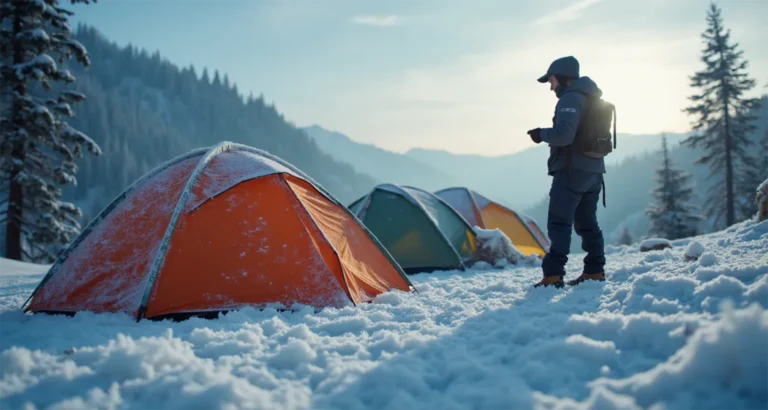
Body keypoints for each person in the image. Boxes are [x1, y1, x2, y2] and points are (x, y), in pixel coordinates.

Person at [527, 56, 606, 288]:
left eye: (551, 80)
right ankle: (594, 270)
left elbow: (564, 136)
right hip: (594, 170)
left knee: (559, 223)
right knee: (588, 224)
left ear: (562, 77)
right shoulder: (593, 98)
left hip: (572, 170)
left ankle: (553, 275)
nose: (551, 86)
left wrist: (541, 134)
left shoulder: (570, 98)